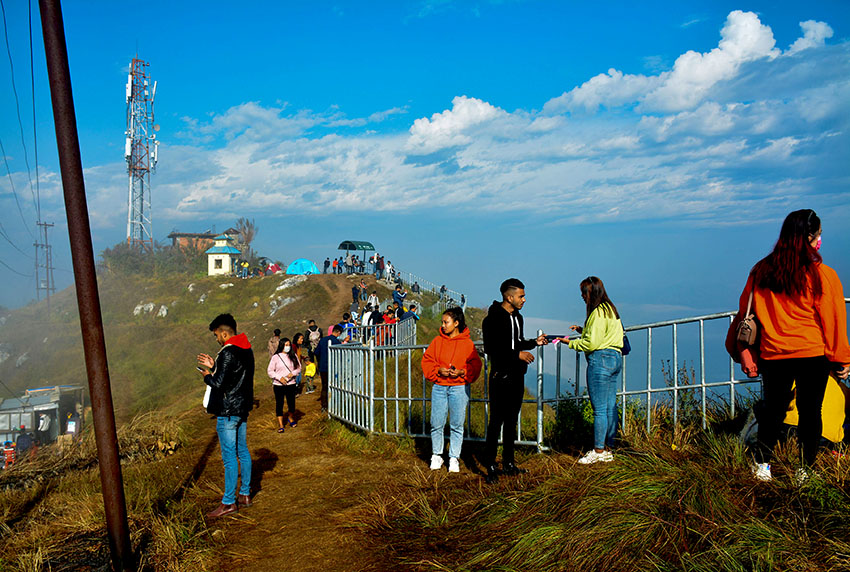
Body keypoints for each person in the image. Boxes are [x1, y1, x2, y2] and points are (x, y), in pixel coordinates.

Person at [736, 209, 850, 482]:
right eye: (819, 234)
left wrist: (743, 352)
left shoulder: (761, 271)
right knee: (812, 413)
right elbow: (833, 321)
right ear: (810, 237)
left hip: (773, 353)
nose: (820, 240)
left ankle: (763, 467)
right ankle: (804, 471)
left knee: (772, 411)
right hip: (812, 354)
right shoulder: (823, 275)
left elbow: (745, 313)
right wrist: (841, 359)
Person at [482, 278, 548, 484]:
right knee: (496, 422)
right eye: (521, 296)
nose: (524, 299)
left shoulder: (518, 318)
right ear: (509, 297)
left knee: (511, 420)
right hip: (500, 376)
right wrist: (517, 355)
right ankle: (490, 465)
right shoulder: (492, 319)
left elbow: (516, 342)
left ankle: (509, 463)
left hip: (517, 376)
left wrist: (533, 343)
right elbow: (492, 349)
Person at [559, 276, 624, 465]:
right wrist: (582, 329)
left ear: (591, 292)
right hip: (615, 357)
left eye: (583, 292)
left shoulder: (596, 312)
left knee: (599, 409)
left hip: (600, 360)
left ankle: (598, 450)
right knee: (610, 406)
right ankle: (609, 448)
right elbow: (604, 334)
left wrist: (570, 342)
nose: (582, 296)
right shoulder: (611, 310)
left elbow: (592, 342)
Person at [197, 313, 254, 518]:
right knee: (243, 452)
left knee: (229, 458)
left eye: (216, 336)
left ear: (223, 333)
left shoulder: (228, 352)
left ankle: (228, 502)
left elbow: (219, 384)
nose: (217, 339)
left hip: (228, 411)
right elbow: (236, 376)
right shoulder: (246, 349)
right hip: (242, 409)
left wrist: (207, 375)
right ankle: (245, 494)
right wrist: (216, 367)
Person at [422, 307, 483, 473]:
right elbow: (427, 361)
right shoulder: (437, 341)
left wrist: (462, 372)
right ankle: (436, 455)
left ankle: (454, 457)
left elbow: (476, 365)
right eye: (442, 322)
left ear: (456, 323)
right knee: (436, 422)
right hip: (439, 386)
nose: (443, 325)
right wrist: (438, 370)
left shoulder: (468, 344)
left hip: (459, 387)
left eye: (446, 322)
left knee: (457, 424)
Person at [268, 337, 302, 431]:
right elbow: (270, 371)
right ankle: (281, 424)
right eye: (286, 345)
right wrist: (279, 378)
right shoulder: (276, 357)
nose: (288, 347)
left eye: (289, 345)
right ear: (282, 345)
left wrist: (293, 374)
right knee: (280, 403)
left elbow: (299, 368)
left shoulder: (293, 356)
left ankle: (290, 417)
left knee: (291, 403)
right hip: (278, 385)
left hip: (291, 383)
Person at [316, 325, 344, 411]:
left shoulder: (322, 340)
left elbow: (316, 352)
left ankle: (324, 406)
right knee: (334, 386)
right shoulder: (337, 343)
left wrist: (320, 362)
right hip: (333, 368)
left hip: (323, 367)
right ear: (338, 332)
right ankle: (334, 405)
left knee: (324, 386)